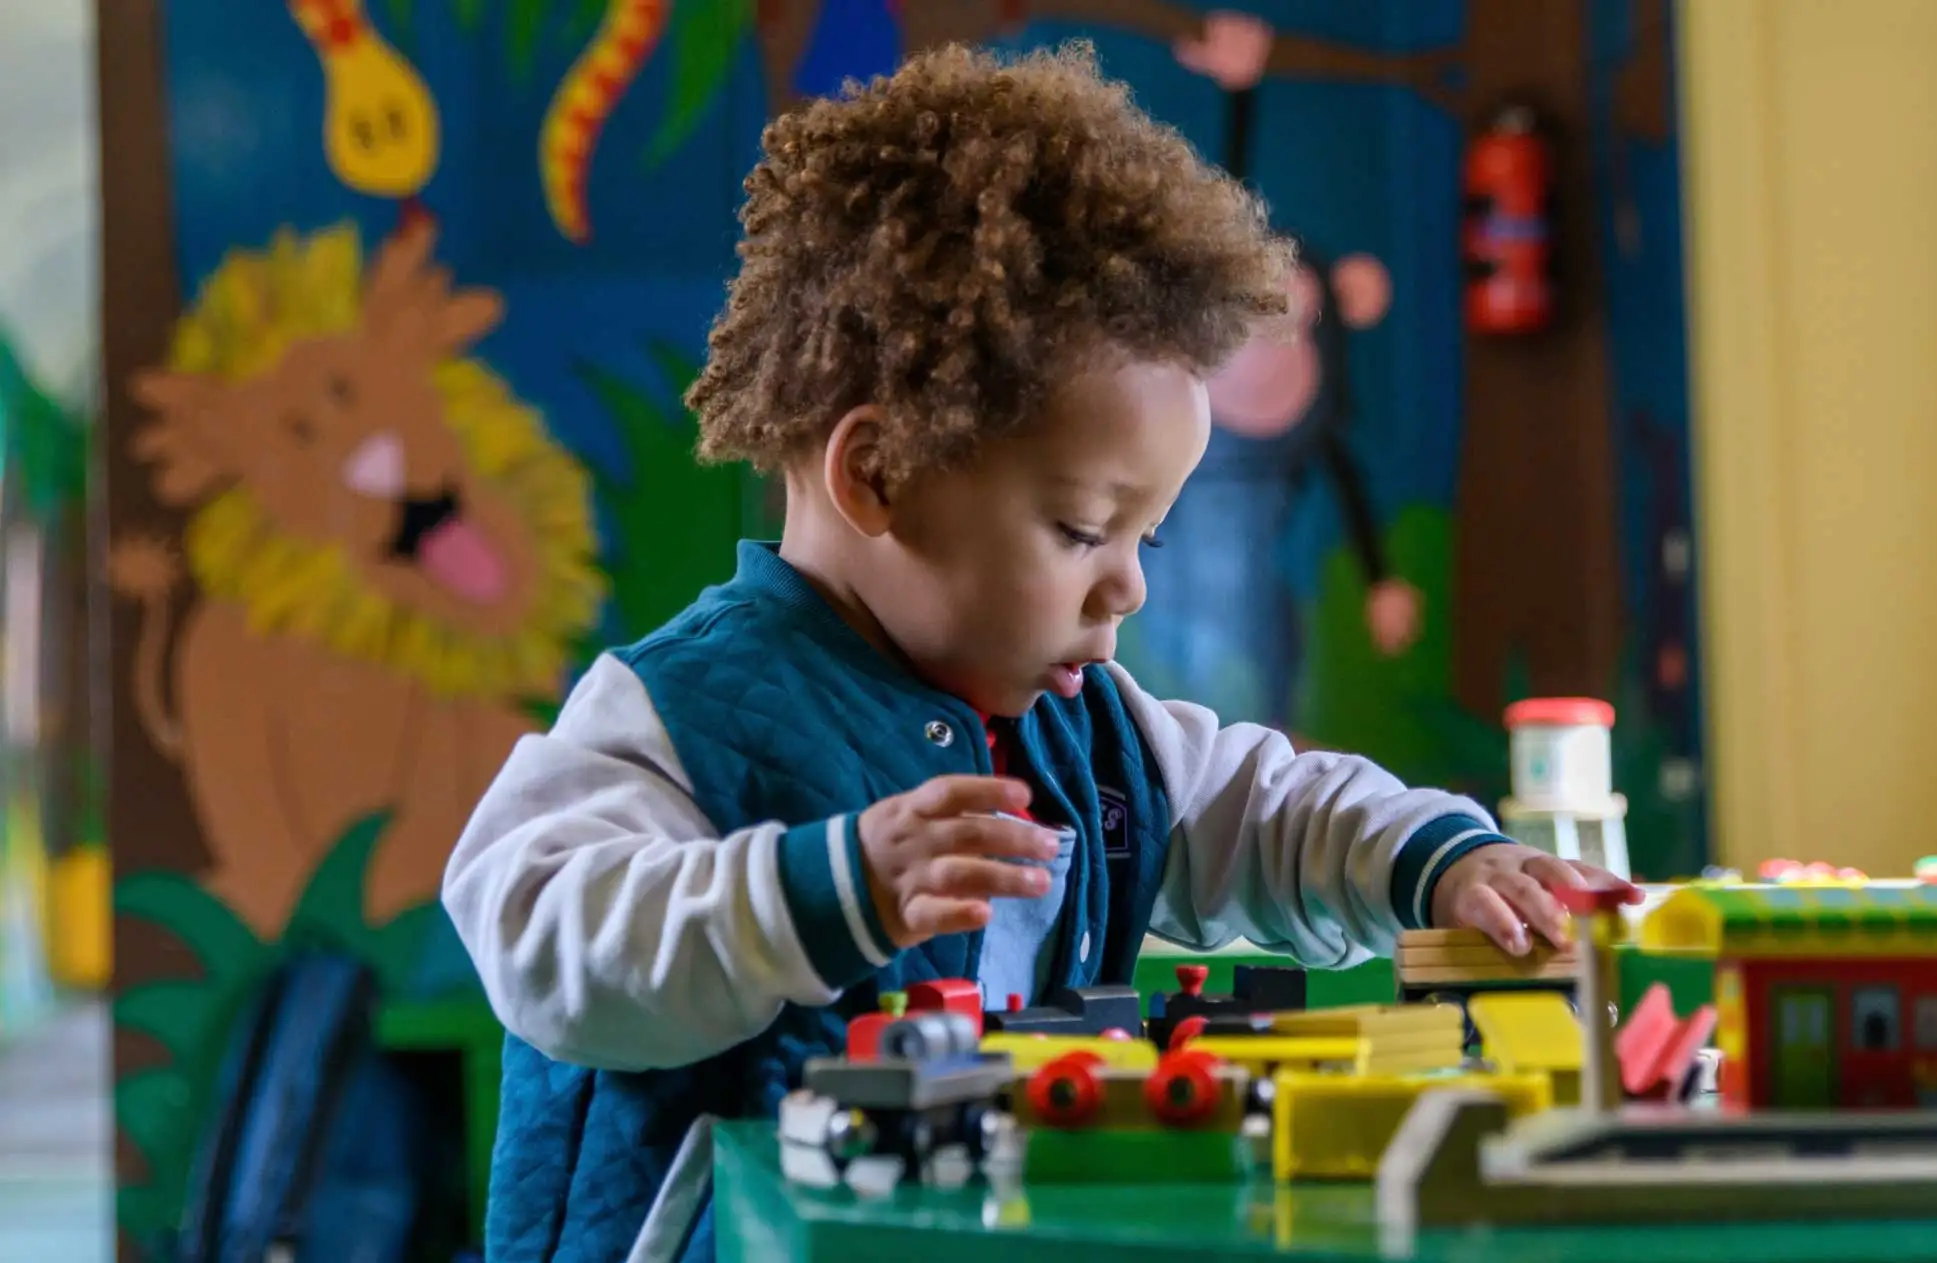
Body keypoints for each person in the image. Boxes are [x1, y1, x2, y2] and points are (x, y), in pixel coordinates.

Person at [442, 41, 1635, 1263]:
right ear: (880, 474)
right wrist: (814, 891)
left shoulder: (1090, 729)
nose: (1124, 583)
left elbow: (1270, 806)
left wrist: (1434, 863)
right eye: (1079, 530)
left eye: (1146, 538)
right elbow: (539, 931)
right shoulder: (675, 714)